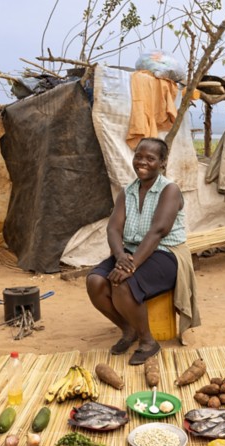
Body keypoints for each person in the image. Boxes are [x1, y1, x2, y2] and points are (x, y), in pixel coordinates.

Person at [86, 137, 186, 365]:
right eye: (138, 156)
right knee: (95, 282)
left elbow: (158, 231)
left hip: (165, 253)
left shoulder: (169, 190)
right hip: (131, 252)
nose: (142, 162)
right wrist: (120, 256)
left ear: (162, 162)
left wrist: (131, 266)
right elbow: (113, 227)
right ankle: (128, 329)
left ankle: (148, 341)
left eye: (150, 158)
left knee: (122, 284)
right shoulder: (127, 192)